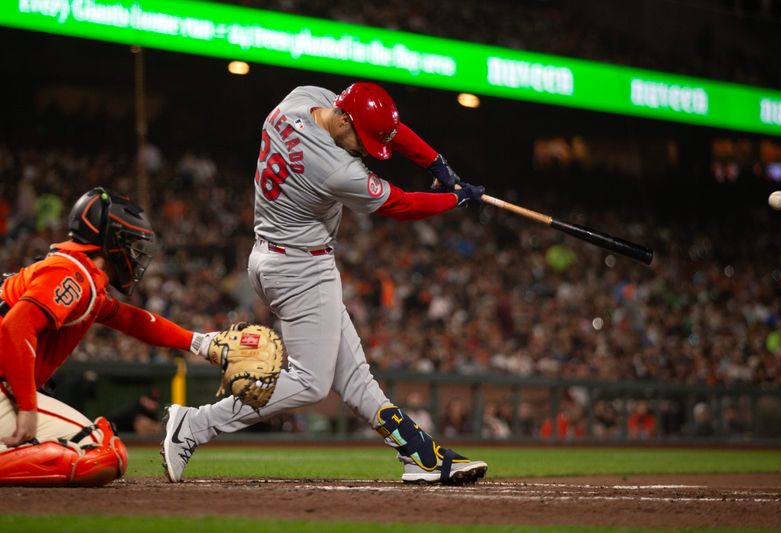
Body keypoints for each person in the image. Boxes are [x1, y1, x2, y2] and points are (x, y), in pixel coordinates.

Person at [162, 82, 488, 485]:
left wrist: (435, 163)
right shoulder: (336, 167)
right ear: (343, 119)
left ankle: (417, 453)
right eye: (361, 140)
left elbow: (385, 127)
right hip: (299, 269)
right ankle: (195, 424)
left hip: (275, 255)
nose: (367, 149)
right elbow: (400, 205)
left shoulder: (301, 99)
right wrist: (453, 200)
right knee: (311, 383)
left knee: (354, 378)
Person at [0, 188, 215, 486]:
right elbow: (15, 327)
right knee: (101, 452)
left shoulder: (79, 274)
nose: (134, 254)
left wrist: (201, 343)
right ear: (112, 241)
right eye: (130, 242)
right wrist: (27, 406)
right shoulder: (71, 273)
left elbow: (134, 320)